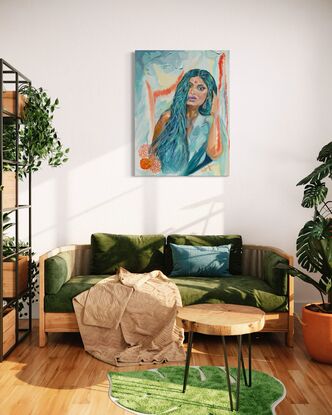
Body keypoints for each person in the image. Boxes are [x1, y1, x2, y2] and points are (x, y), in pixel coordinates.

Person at [151, 69, 223, 175]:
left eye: (201, 88)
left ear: (209, 95)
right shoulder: (167, 118)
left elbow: (214, 154)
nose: (192, 91)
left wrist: (215, 114)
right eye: (189, 86)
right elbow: (152, 153)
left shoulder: (210, 121)